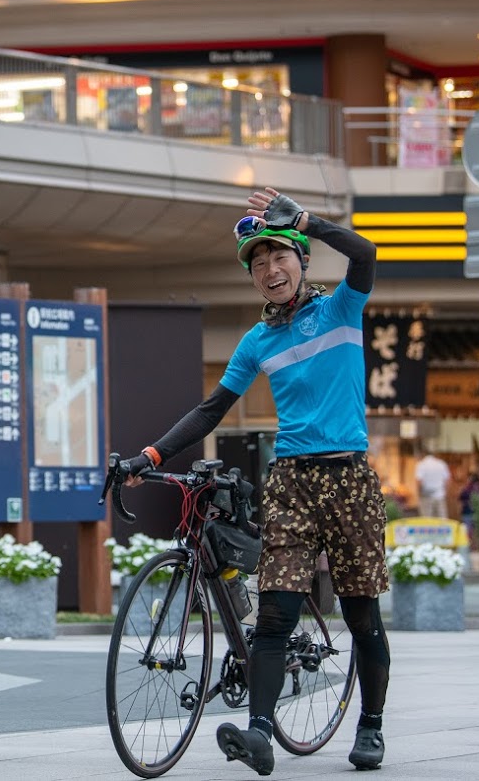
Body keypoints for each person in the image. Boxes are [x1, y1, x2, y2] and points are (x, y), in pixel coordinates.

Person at [134, 188, 391, 775]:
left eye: (279, 257)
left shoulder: (341, 309)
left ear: (301, 260)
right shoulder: (257, 341)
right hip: (291, 482)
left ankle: (371, 726)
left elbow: (366, 253)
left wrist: (310, 220)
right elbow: (210, 409)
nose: (270, 270)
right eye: (257, 263)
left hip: (348, 478)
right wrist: (150, 454)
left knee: (361, 616)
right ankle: (258, 734)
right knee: (274, 615)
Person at [414, 451, 452, 518]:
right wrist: (445, 492)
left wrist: (418, 495)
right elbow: (448, 480)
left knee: (427, 520)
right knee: (442, 520)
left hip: (426, 497)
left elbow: (419, 481)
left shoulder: (421, 465)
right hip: (440, 496)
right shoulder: (441, 464)